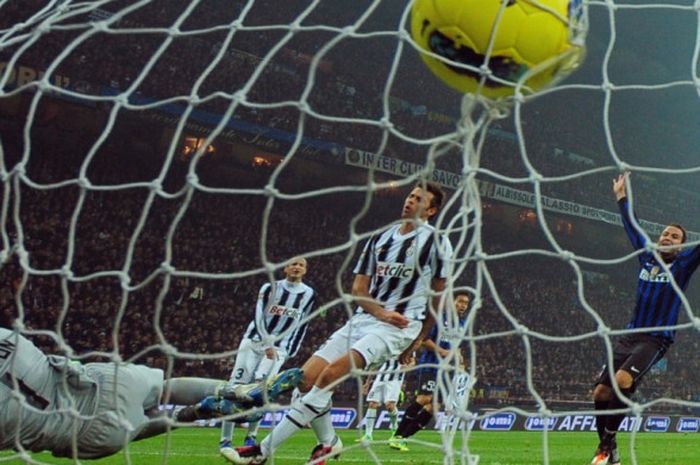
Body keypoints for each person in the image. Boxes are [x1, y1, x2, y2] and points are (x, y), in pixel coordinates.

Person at [229, 182, 453, 465]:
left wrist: (418, 338)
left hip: (398, 326)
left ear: (431, 210)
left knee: (329, 377)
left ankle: (262, 451)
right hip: (365, 319)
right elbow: (358, 290)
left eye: (420, 199)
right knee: (305, 381)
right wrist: (380, 312)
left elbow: (439, 295)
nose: (411, 201)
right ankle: (329, 442)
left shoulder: (437, 241)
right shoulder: (379, 239)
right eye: (411, 195)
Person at [0, 326, 301, 459]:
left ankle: (193, 415)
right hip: (104, 385)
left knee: (127, 429)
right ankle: (239, 389)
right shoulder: (6, 338)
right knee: (165, 388)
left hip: (87, 436)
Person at [590, 172, 700, 465]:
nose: (667, 237)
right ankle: (607, 448)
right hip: (630, 335)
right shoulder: (647, 257)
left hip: (656, 338)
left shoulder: (683, 265)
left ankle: (606, 447)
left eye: (674, 237)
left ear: (680, 246)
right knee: (600, 391)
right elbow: (632, 226)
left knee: (622, 379)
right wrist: (621, 196)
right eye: (665, 233)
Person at [220, 256, 316, 460]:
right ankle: (225, 440)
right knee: (235, 386)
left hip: (280, 349)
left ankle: (250, 438)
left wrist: (291, 350)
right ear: (285, 268)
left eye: (301, 265)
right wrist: (267, 343)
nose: (297, 267)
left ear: (305, 270)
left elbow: (303, 323)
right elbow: (258, 316)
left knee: (262, 391)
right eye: (293, 264)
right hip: (254, 342)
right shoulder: (270, 287)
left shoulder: (308, 294)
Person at [390, 292, 469, 451]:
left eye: (466, 303)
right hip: (431, 365)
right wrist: (442, 351)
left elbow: (458, 345)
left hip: (447, 370)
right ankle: (397, 435)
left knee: (434, 406)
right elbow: (424, 339)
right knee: (424, 398)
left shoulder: (462, 324)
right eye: (460, 301)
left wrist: (460, 361)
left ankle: (403, 437)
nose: (463, 306)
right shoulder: (439, 318)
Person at [356, 357, 408, 442]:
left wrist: (407, 367)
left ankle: (395, 430)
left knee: (390, 406)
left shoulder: (406, 346)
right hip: (379, 379)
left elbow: (413, 362)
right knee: (372, 404)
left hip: (394, 380)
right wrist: (367, 382)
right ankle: (368, 435)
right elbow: (375, 365)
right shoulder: (385, 347)